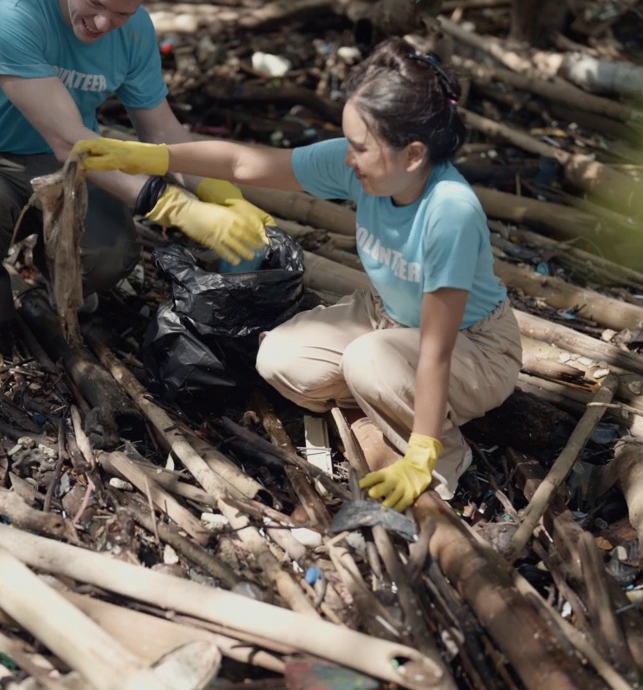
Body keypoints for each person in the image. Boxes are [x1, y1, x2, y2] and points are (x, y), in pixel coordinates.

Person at [73, 38, 523, 511]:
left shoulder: (450, 213)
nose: (348, 158)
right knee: (280, 360)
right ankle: (381, 401)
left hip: (472, 346)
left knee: (369, 361)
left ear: (412, 155)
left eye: (360, 147)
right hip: (385, 319)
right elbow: (246, 163)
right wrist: (151, 157)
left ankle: (445, 455)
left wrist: (422, 451)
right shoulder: (367, 168)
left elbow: (435, 349)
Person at [0, 0, 271, 361]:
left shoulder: (135, 31)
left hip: (77, 167)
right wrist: (177, 208)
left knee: (111, 256)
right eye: (95, 3)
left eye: (122, 13)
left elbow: (162, 129)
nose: (104, 23)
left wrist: (216, 191)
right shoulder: (9, 10)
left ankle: (54, 278)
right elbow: (66, 139)